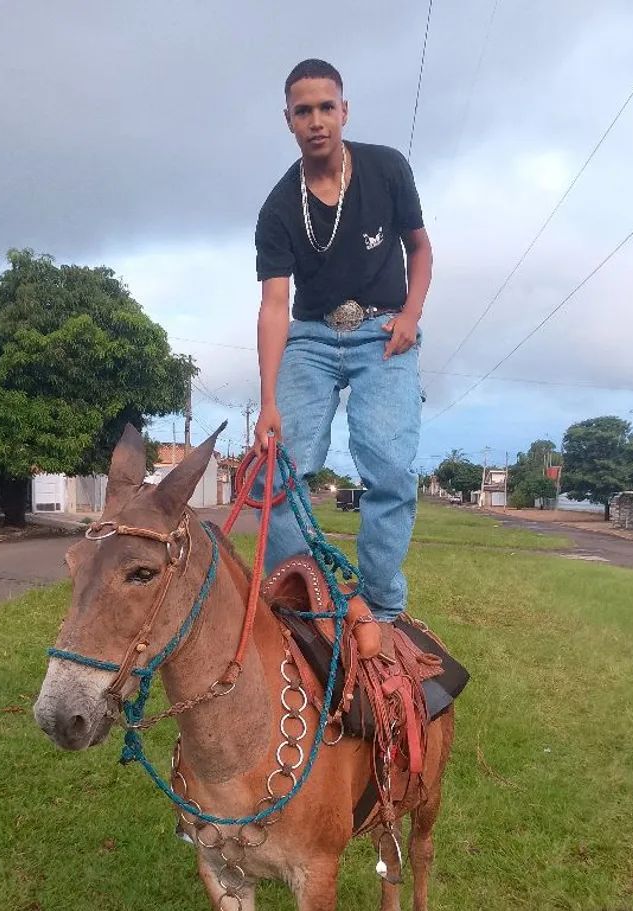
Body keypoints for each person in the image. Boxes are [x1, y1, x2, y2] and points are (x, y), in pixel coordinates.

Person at [253, 57, 433, 632]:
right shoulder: (279, 208)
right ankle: (319, 597)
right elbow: (275, 306)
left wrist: (410, 315)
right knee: (274, 473)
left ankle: (381, 605)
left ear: (343, 110)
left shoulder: (385, 169)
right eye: (303, 111)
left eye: (325, 108)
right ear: (288, 120)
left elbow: (421, 250)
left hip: (383, 329)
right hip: (310, 335)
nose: (316, 121)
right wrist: (268, 401)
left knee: (389, 467)